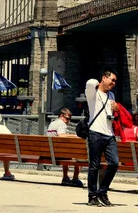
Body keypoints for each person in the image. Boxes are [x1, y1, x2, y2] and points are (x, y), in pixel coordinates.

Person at [85, 69, 119, 207]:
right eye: (111, 79)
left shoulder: (111, 95)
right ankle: (92, 195)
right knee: (94, 165)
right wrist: (98, 83)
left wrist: (116, 109)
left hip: (109, 134)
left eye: (115, 81)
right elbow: (89, 83)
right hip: (95, 133)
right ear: (104, 78)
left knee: (114, 163)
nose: (113, 83)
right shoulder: (92, 93)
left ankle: (102, 191)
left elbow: (111, 116)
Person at [46, 108, 83, 187]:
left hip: (50, 152)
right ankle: (75, 179)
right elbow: (61, 135)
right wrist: (75, 136)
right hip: (58, 153)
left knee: (66, 153)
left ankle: (65, 177)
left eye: (70, 119)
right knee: (80, 156)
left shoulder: (53, 123)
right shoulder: (61, 123)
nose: (68, 121)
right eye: (67, 118)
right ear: (61, 116)